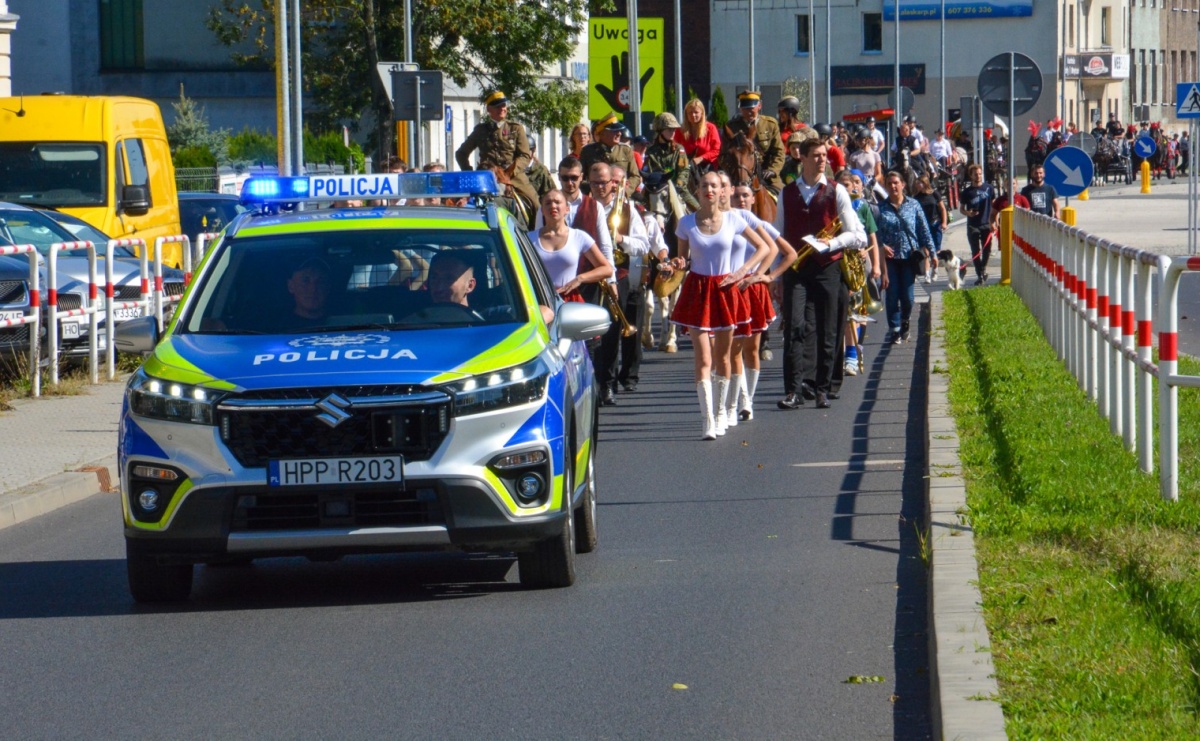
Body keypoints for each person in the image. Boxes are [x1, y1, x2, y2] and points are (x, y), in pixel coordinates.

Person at [669, 170, 771, 440]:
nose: (709, 190)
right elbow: (683, 260)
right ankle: (708, 420)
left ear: (722, 191)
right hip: (698, 290)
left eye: (714, 186)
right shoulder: (686, 223)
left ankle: (723, 410)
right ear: (698, 190)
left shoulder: (734, 220)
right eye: (704, 186)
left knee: (723, 357)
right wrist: (676, 264)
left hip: (726, 289)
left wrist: (743, 271)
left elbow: (763, 247)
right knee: (703, 358)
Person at [774, 137, 867, 410]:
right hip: (797, 269)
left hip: (828, 267)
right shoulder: (787, 193)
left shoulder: (836, 191)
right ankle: (793, 390)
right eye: (816, 155)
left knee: (828, 329)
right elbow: (778, 236)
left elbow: (857, 235)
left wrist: (832, 243)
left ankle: (822, 389)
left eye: (824, 155)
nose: (822, 159)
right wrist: (775, 277)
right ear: (802, 158)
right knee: (795, 327)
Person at [727, 179, 795, 422]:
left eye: (746, 196)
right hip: (730, 289)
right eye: (737, 196)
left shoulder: (762, 225)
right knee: (732, 349)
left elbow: (789, 253)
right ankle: (740, 399)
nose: (741, 200)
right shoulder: (727, 222)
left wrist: (767, 275)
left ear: (754, 199)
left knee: (751, 349)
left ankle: (748, 400)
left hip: (753, 290)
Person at [594, 166, 654, 404]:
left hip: (618, 273)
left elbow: (643, 245)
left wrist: (620, 239)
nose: (601, 187)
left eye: (606, 182)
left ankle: (608, 385)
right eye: (596, 183)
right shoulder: (585, 207)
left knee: (611, 331)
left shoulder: (628, 210)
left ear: (613, 183)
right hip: (590, 273)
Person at [535, 156, 614, 304]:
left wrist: (612, 281)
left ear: (581, 177)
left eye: (574, 178)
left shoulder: (595, 206)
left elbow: (605, 246)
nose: (570, 182)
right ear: (559, 177)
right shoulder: (545, 208)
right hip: (551, 287)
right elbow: (537, 244)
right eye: (565, 178)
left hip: (588, 284)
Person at [455, 90, 540, 213]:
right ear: (489, 109)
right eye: (497, 107)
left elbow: (525, 155)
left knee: (536, 204)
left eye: (503, 105)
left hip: (512, 175)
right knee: (458, 202)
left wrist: (510, 172)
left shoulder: (516, 128)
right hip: (485, 176)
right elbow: (461, 153)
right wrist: (470, 173)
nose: (502, 109)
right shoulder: (480, 130)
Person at [877, 170, 934, 345]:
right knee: (892, 294)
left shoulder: (913, 205)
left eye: (896, 183)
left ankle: (905, 320)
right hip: (890, 259)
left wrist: (932, 253)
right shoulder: (880, 208)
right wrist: (882, 246)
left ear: (903, 184)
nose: (893, 186)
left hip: (909, 257)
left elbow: (924, 230)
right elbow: (874, 233)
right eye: (889, 184)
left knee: (908, 297)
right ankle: (894, 329)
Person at [721, 90, 786, 198]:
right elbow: (723, 155)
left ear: (759, 106)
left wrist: (772, 170)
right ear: (740, 109)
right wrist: (733, 171)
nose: (749, 112)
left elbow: (779, 152)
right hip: (738, 176)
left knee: (785, 198)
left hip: (767, 176)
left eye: (751, 108)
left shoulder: (770, 124)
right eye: (745, 108)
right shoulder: (731, 127)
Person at [580, 112, 641, 197]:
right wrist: (594, 188)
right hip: (597, 197)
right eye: (614, 131)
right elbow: (580, 178)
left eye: (620, 131)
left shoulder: (625, 150)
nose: (619, 133)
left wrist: (625, 191)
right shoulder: (588, 151)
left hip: (620, 197)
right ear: (602, 133)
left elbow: (635, 176)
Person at [959, 163, 995, 285]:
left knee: (987, 249)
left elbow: (994, 205)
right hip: (973, 225)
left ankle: (983, 268)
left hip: (986, 223)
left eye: (980, 174)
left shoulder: (989, 188)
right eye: (975, 174)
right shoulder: (967, 192)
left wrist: (995, 221)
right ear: (971, 176)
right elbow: (961, 209)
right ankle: (980, 274)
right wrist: (968, 213)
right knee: (976, 251)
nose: (978, 176)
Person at [914, 176, 947, 283]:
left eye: (920, 183)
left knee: (936, 251)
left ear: (925, 183)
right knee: (926, 251)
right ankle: (927, 274)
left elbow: (942, 208)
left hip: (935, 224)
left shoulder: (934, 194)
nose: (918, 185)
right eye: (917, 183)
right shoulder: (916, 197)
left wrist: (944, 222)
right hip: (923, 226)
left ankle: (935, 270)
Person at [675, 98, 722, 172]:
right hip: (685, 166)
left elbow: (716, 150)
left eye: (696, 112)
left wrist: (701, 158)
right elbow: (675, 149)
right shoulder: (680, 130)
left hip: (707, 167)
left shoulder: (711, 128)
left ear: (702, 113)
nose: (693, 115)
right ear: (686, 114)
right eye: (690, 112)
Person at [285, 257, 332, 328]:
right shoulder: (277, 329)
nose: (313, 289)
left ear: (328, 287)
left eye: (320, 282)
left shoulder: (342, 323)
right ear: (291, 286)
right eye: (305, 281)